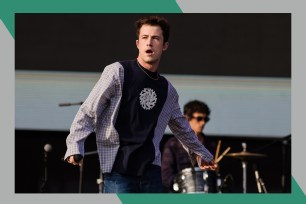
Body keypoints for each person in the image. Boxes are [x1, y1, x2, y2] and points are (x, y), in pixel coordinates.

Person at [64, 16, 216, 193]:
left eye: (155, 38)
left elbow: (182, 127)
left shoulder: (167, 90)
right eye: (145, 38)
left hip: (151, 170)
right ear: (137, 43)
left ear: (165, 45)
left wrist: (202, 153)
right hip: (118, 168)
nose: (149, 43)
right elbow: (89, 110)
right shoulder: (118, 72)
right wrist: (75, 144)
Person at [161, 100, 215, 192]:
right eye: (199, 119)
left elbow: (214, 179)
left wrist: (215, 170)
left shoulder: (210, 145)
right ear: (186, 118)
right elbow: (166, 176)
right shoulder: (173, 144)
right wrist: (183, 185)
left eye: (205, 119)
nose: (203, 123)